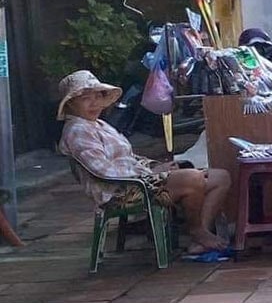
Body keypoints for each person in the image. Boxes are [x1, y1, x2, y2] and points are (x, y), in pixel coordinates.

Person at [55, 70, 234, 263]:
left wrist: (159, 167)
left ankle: (201, 236)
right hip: (121, 191)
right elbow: (103, 171)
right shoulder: (78, 131)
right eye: (85, 99)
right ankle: (196, 231)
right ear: (71, 103)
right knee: (192, 178)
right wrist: (150, 173)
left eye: (97, 97)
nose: (94, 103)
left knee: (220, 177)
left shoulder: (99, 125)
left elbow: (128, 158)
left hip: (139, 180)